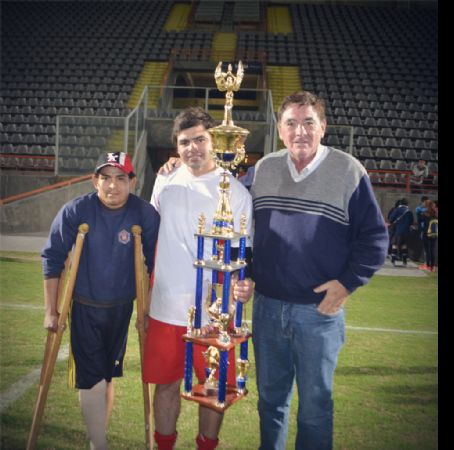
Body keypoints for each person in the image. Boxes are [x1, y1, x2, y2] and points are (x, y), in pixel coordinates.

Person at [248, 91, 389, 449]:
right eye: (291, 123)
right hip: (266, 309)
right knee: (270, 403)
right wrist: (178, 166)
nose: (300, 132)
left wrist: (346, 284)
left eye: (309, 122)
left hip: (318, 312)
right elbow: (235, 218)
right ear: (279, 130)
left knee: (314, 407)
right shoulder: (264, 169)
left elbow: (374, 237)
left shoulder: (347, 170)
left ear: (323, 127)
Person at [143, 107, 255, 450]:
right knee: (166, 385)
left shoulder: (235, 192)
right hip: (165, 307)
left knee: (212, 390)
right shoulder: (165, 181)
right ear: (176, 148)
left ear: (213, 141)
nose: (193, 148)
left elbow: (243, 253)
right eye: (184, 142)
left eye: (200, 140)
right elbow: (151, 236)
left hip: (214, 314)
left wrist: (245, 285)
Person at [41, 151, 160, 450]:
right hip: (84, 306)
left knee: (107, 376)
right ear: (95, 181)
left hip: (121, 307)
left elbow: (156, 264)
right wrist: (51, 311)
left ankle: (97, 441)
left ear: (132, 181)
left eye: (120, 178)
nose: (112, 185)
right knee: (91, 376)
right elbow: (52, 258)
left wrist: (149, 310)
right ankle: (100, 444)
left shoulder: (143, 213)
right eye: (105, 178)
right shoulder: (76, 210)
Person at [388, 197, 414, 266]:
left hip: (398, 231)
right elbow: (411, 222)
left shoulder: (397, 210)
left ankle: (393, 261)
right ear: (407, 204)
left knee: (394, 245)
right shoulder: (409, 211)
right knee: (404, 245)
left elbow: (391, 219)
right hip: (406, 232)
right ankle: (404, 262)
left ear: (400, 203)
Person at [419, 199, 438, 272]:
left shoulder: (424, 213)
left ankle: (427, 266)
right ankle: (432, 266)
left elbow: (420, 221)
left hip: (426, 233)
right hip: (434, 233)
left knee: (427, 250)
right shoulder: (435, 213)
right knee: (432, 250)